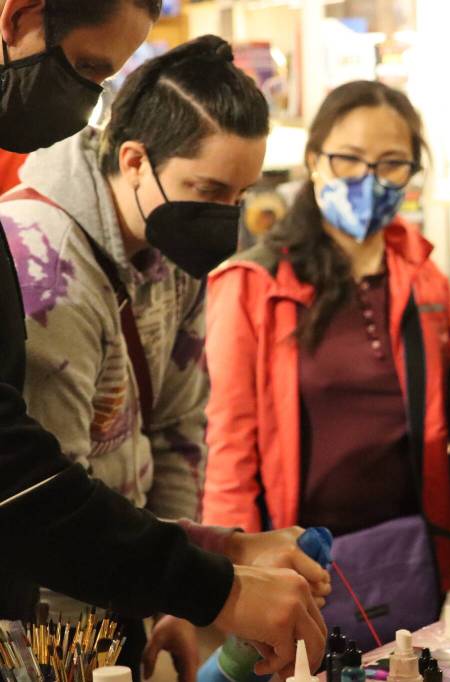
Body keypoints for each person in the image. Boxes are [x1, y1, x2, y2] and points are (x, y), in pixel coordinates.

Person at [0, 2, 326, 675]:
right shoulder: (46, 266)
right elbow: (39, 495)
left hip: (127, 576)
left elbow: (178, 427)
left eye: (239, 196)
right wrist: (209, 579)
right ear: (134, 161)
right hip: (52, 610)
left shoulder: (173, 249)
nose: (222, 218)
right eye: (207, 189)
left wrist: (176, 596)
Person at [202, 81, 450, 615]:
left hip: (409, 555)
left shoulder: (424, 280)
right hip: (298, 563)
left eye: (392, 163)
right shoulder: (253, 284)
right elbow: (230, 446)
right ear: (314, 161)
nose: (369, 178)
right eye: (349, 158)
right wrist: (235, 577)